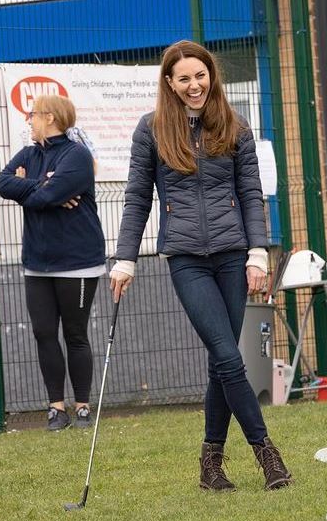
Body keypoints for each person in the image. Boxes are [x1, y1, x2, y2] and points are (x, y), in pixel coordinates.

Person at [110, 40, 292, 492]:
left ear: (212, 76)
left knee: (221, 364)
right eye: (184, 78)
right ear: (169, 84)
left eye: (201, 75)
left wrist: (257, 254)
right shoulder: (151, 130)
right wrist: (125, 259)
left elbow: (252, 196)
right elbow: (137, 199)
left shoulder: (236, 127)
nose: (195, 85)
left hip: (233, 256)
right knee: (230, 357)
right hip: (186, 259)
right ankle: (267, 455)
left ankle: (210, 466)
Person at [0, 95, 106, 431]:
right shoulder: (29, 154)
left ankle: (83, 407)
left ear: (50, 117)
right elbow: (3, 184)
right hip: (37, 262)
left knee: (75, 334)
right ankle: (56, 409)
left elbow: (44, 197)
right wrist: (42, 185)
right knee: (44, 333)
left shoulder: (77, 155)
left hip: (78, 261)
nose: (29, 121)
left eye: (32, 115)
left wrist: (34, 189)